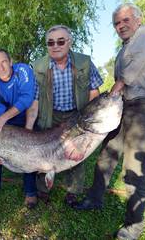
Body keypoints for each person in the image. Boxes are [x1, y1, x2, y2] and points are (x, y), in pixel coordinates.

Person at [73, 3, 145, 240]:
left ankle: (133, 227)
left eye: (125, 20)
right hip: (125, 108)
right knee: (106, 155)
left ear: (138, 19)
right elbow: (118, 86)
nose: (120, 25)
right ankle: (94, 199)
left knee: (134, 168)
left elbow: (136, 67)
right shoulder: (122, 51)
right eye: (116, 23)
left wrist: (118, 84)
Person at [29, 25, 103, 206]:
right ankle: (43, 189)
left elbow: (94, 91)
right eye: (50, 42)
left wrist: (88, 116)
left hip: (76, 114)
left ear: (69, 42)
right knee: (44, 152)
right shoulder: (39, 66)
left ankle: (73, 191)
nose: (55, 45)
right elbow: (35, 100)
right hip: (51, 115)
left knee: (78, 153)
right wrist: (28, 128)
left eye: (61, 41)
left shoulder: (84, 63)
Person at [0, 49, 39, 209]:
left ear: (11, 61)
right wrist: (2, 149)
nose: (0, 67)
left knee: (29, 150)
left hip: (28, 117)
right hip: (9, 124)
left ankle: (30, 190)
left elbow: (27, 99)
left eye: (3, 62)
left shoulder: (23, 70)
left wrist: (25, 129)